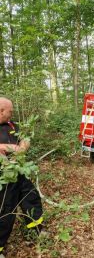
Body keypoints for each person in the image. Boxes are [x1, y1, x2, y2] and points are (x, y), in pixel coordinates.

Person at [0, 97, 43, 258]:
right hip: (3, 178)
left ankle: (37, 231)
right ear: (1, 110)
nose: (12, 114)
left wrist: (23, 147)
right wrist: (5, 147)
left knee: (31, 198)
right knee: (5, 211)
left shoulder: (12, 125)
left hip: (20, 174)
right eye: (10, 111)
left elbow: (25, 139)